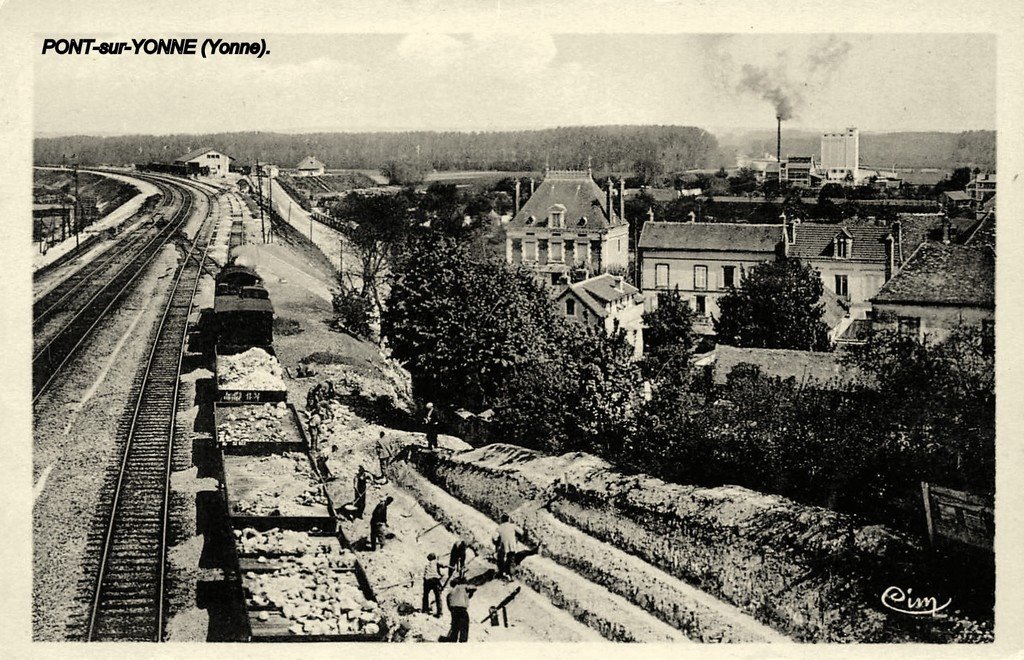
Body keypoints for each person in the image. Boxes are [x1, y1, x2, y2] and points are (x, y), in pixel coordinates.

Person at [444, 577, 474, 642]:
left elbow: (449, 602)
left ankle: (453, 640)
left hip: (454, 610)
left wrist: (452, 610)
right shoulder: (463, 588)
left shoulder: (451, 591)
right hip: (462, 610)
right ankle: (462, 643)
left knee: (455, 627)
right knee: (464, 627)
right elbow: (473, 588)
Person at [493, 514, 519, 580]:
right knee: (510, 560)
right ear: (508, 519)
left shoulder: (499, 528)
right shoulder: (513, 526)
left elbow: (494, 537)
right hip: (513, 546)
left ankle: (502, 572)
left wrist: (496, 543)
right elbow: (521, 532)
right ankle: (510, 575)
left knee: (500, 558)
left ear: (502, 520)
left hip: (504, 547)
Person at [421, 552, 446, 618]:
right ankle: (439, 613)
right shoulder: (436, 562)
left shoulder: (427, 564)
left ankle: (425, 609)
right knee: (438, 597)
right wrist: (450, 567)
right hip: (435, 580)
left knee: (425, 595)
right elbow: (443, 565)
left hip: (427, 580)